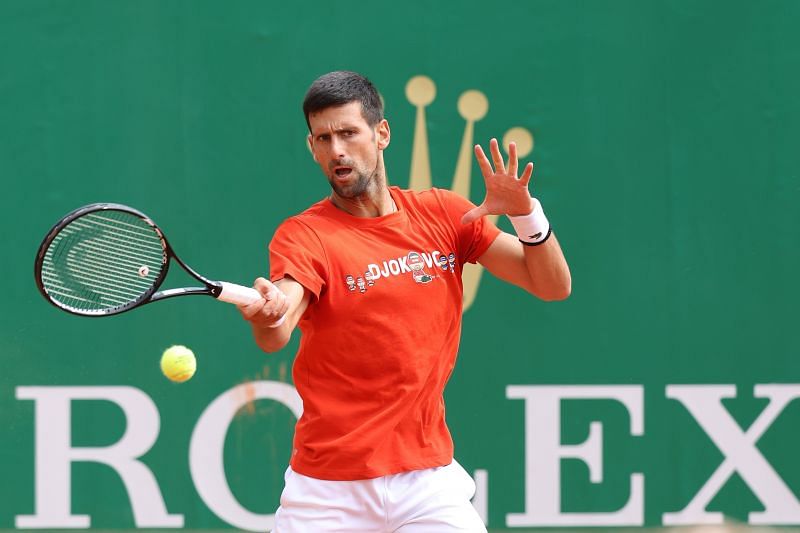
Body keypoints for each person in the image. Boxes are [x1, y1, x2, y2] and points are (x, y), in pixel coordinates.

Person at [238, 71, 571, 532]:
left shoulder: (444, 214)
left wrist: (525, 213)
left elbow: (552, 284)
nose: (337, 150)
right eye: (324, 138)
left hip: (426, 483)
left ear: (382, 133)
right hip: (328, 490)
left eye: (349, 133)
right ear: (311, 147)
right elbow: (277, 330)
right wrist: (267, 312)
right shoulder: (304, 235)